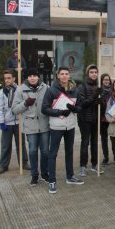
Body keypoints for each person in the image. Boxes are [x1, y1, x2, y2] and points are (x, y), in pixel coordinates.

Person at [41, 66, 83, 194]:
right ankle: (52, 180)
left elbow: (80, 106)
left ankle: (70, 176)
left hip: (70, 126)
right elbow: (44, 109)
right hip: (56, 126)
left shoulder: (75, 90)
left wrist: (76, 109)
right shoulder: (51, 90)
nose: (64, 76)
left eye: (66, 74)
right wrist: (60, 112)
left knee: (69, 151)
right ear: (58, 76)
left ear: (69, 75)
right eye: (62, 74)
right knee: (53, 153)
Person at [12, 68, 49, 186]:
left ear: (38, 77)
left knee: (45, 151)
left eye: (35, 75)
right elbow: (15, 109)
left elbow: (51, 103)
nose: (32, 78)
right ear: (26, 78)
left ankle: (44, 172)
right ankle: (34, 175)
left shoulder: (46, 88)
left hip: (44, 125)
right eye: (30, 76)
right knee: (32, 151)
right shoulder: (20, 90)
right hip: (30, 125)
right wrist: (25, 103)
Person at [0, 69, 30, 174]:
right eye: (5, 78)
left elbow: (24, 104)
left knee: (21, 144)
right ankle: (3, 165)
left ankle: (23, 163)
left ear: (14, 78)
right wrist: (1, 122)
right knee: (6, 145)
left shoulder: (20, 90)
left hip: (19, 122)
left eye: (9, 78)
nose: (7, 80)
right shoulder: (2, 93)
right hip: (7, 123)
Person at [77, 65, 103, 177]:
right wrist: (94, 96)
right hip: (85, 119)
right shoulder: (82, 86)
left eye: (95, 72)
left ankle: (95, 164)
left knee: (95, 142)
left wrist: (101, 102)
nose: (94, 74)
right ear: (88, 74)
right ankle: (83, 166)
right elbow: (82, 103)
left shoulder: (99, 86)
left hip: (96, 118)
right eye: (91, 72)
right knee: (85, 142)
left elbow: (102, 104)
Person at [100, 73, 112, 166]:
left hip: (112, 118)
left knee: (114, 138)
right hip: (103, 118)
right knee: (104, 139)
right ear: (102, 81)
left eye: (107, 79)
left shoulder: (113, 90)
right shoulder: (99, 91)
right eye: (104, 80)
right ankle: (106, 157)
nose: (106, 81)